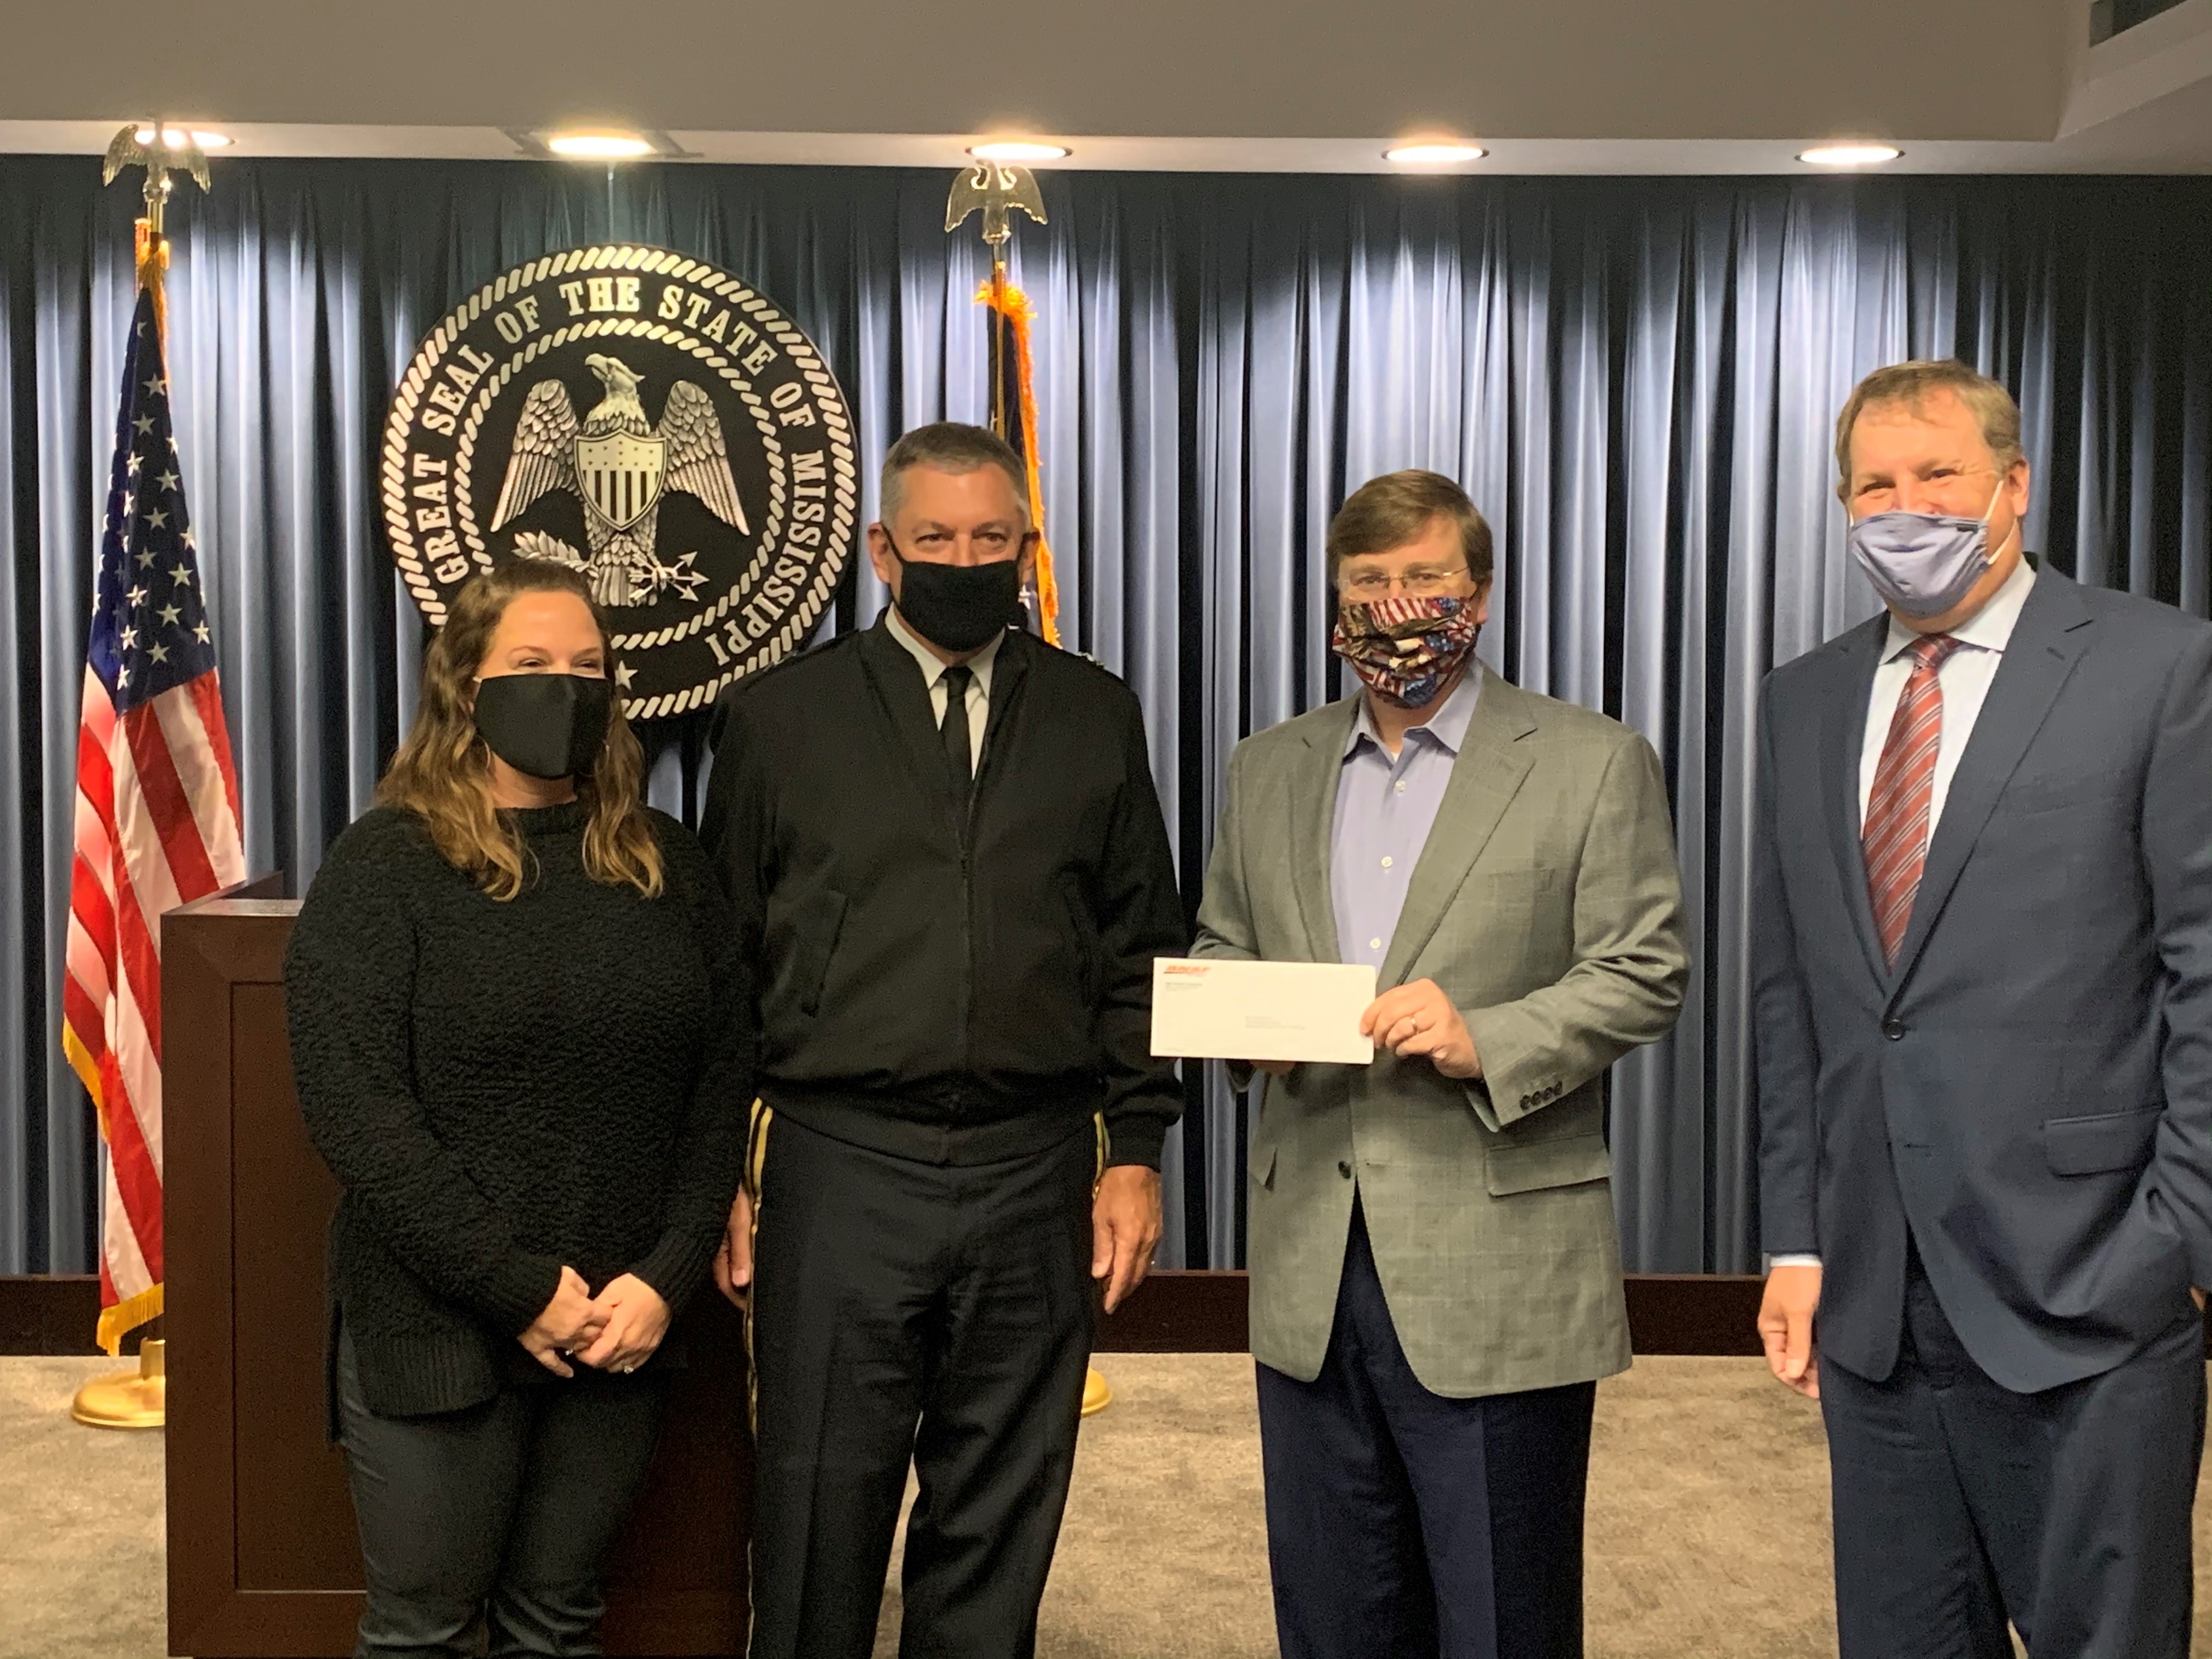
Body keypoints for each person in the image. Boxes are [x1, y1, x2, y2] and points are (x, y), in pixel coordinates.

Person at [699, 421, 1186, 1659]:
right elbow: (722, 969)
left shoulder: (1095, 714)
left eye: (993, 538)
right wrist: (720, 1181)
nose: (966, 560)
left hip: (1035, 1169)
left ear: (1028, 546)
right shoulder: (777, 721)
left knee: (1001, 1511)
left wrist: (1134, 1148)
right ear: (881, 550)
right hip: (838, 1163)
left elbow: (1141, 952)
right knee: (816, 1515)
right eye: (935, 539)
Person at [1752, 359, 2212, 1657]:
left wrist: (2175, 1242)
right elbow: (1796, 998)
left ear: (2013, 486)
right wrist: (1795, 1238)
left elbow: (2206, 972)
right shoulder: (1805, 699)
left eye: (1937, 475)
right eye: (1874, 486)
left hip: (2092, 1291)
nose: (1906, 507)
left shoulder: (2161, 669)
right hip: (1873, 1309)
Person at [1193, 469, 1688, 1659]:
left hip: (1498, 1260)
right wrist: (1241, 1023)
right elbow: (1220, 942)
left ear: (1480, 592)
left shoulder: (1591, 760)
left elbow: (1644, 968)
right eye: (1368, 582)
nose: (1396, 605)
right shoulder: (1268, 767)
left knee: (1501, 1619)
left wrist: (1491, 1037)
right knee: (1332, 1617)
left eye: (1425, 579)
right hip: (1312, 1257)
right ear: (1333, 597)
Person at [285, 560, 749, 1659]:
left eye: (589, 668)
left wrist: (666, 1277)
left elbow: (722, 1080)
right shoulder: (386, 865)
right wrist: (519, 1288)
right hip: (438, 1323)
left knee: (558, 1619)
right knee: (428, 1628)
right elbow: (357, 1112)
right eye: (532, 666)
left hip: (620, 1328)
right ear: (464, 685)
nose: (566, 689)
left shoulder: (664, 863)